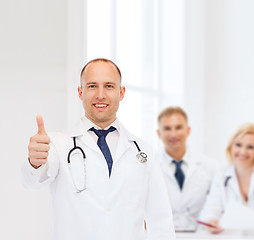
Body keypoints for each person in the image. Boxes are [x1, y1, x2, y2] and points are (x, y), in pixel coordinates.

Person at [22, 58, 175, 240]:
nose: (100, 95)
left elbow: (160, 220)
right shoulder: (57, 145)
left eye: (109, 86)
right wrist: (34, 162)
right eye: (92, 86)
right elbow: (33, 181)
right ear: (80, 92)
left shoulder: (143, 151)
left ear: (122, 92)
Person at [156, 106, 217, 231]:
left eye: (178, 127)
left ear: (188, 130)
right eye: (167, 128)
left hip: (200, 235)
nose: (173, 134)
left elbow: (216, 203)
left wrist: (212, 220)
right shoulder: (149, 166)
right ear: (159, 133)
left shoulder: (210, 166)